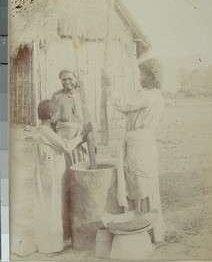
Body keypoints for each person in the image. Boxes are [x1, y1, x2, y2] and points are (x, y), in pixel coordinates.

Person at [103, 58, 165, 243]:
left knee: (139, 185)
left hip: (138, 145)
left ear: (151, 76)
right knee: (144, 184)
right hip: (145, 143)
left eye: (142, 74)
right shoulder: (156, 96)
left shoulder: (147, 96)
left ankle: (142, 230)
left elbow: (122, 104)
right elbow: (130, 111)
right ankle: (152, 231)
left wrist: (110, 85)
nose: (139, 78)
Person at [33, 99, 92, 254]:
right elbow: (66, 146)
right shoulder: (45, 132)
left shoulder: (45, 131)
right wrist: (82, 135)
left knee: (51, 206)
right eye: (57, 113)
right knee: (51, 207)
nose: (59, 117)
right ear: (52, 115)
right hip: (49, 176)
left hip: (49, 174)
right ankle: (51, 245)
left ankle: (52, 243)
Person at [52, 68, 86, 164]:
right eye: (64, 79)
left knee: (82, 164)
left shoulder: (82, 95)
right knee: (66, 166)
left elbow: (88, 120)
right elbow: (52, 121)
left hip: (80, 138)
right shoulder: (56, 96)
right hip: (64, 138)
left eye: (69, 79)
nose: (67, 82)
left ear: (75, 79)